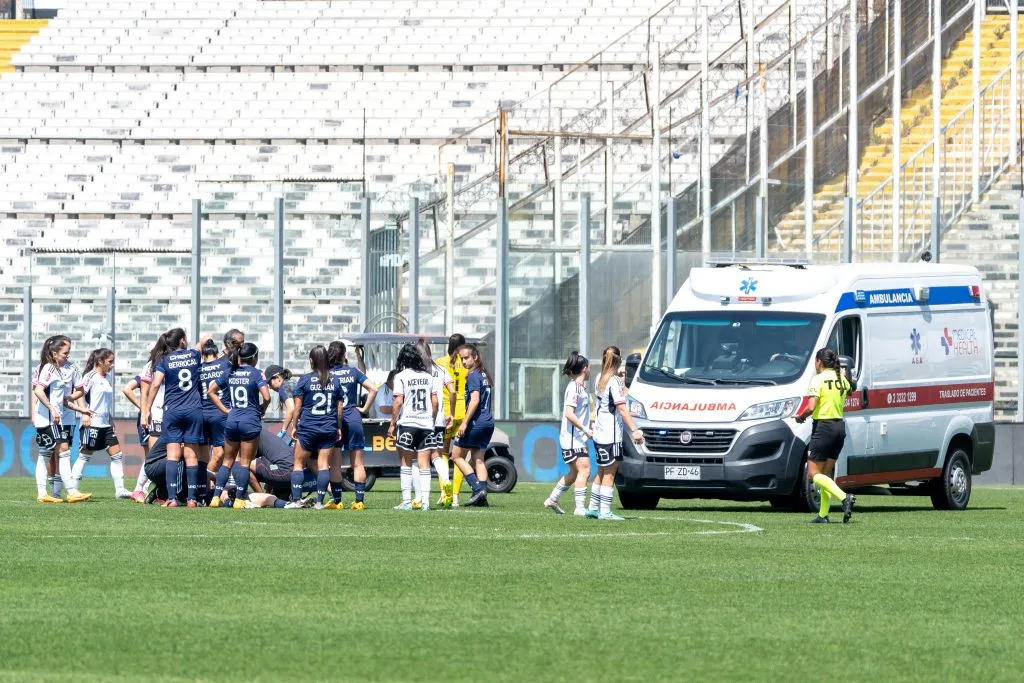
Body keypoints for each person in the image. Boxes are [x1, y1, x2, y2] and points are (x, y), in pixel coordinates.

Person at [141, 328, 211, 508]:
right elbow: (204, 340)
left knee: (172, 454)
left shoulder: (164, 360)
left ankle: (172, 498)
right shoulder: (194, 356)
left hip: (172, 410)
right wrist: (205, 338)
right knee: (191, 454)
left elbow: (155, 384)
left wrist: (147, 409)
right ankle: (192, 499)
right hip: (194, 410)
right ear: (182, 340)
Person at [794, 347, 855, 524]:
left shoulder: (818, 380)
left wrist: (800, 417)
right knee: (825, 474)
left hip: (824, 427)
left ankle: (844, 498)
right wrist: (844, 375)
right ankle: (823, 515)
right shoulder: (841, 378)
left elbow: (811, 407)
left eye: (815, 361)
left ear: (819, 362)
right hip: (839, 428)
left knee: (814, 474)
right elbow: (850, 390)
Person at [208, 342, 270, 509]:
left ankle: (215, 497)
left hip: (232, 420)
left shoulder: (230, 371)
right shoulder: (257, 373)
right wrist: (262, 409)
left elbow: (210, 392)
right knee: (244, 462)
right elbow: (267, 397)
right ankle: (240, 499)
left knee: (227, 461)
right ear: (254, 357)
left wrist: (226, 411)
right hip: (249, 420)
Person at [585, 346, 644, 521]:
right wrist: (635, 431)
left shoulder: (598, 378)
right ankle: (605, 512)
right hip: (611, 435)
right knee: (610, 473)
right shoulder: (616, 382)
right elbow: (621, 409)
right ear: (619, 360)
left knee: (602, 471)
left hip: (599, 432)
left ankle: (593, 508)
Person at [31, 335, 92, 503]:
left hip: (55, 419)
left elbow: (64, 401)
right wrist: (51, 408)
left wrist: (82, 409)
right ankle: (68, 491)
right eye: (65, 353)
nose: (67, 356)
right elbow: (38, 390)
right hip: (48, 419)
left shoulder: (59, 369)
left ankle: (49, 493)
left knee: (53, 453)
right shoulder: (49, 369)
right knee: (58, 451)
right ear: (54, 353)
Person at [66, 348, 131, 499]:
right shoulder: (90, 377)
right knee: (84, 456)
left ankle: (120, 490)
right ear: (100, 361)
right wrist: (84, 413)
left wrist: (110, 417)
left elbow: (104, 401)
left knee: (117, 455)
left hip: (105, 424)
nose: (112, 365)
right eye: (110, 362)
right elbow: (80, 393)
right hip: (92, 422)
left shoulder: (107, 377)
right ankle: (73, 490)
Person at [287, 345, 345, 510]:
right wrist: (338, 427)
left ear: (311, 361)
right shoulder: (335, 380)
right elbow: (339, 409)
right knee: (323, 464)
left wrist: (295, 425)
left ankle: (296, 500)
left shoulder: (305, 379)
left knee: (298, 463)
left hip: (308, 427)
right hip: (328, 427)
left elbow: (297, 408)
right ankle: (320, 502)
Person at [327, 341, 377, 510]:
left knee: (335, 464)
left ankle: (337, 501)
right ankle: (359, 501)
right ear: (343, 356)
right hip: (353, 416)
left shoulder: (326, 374)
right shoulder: (353, 371)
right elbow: (373, 389)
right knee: (358, 463)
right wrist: (364, 408)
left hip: (334, 420)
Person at [388, 344, 438, 511]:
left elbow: (398, 402)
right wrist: (431, 419)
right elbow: (435, 402)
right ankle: (425, 502)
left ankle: (407, 501)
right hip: (426, 424)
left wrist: (392, 424)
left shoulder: (400, 376)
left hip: (408, 423)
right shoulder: (429, 377)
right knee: (424, 464)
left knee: (406, 462)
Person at [544, 351, 592, 516]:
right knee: (585, 469)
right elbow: (569, 413)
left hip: (575, 438)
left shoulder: (580, 388)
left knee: (574, 473)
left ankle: (553, 499)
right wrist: (585, 429)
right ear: (585, 369)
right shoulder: (575, 388)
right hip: (573, 438)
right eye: (589, 367)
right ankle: (579, 508)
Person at [450, 343, 494, 508]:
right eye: (461, 358)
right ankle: (482, 498)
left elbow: (475, 400)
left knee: (456, 456)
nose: (463, 361)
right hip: (488, 421)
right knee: (478, 460)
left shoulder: (473, 375)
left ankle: (477, 489)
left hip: (476, 422)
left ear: (475, 357)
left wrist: (465, 422)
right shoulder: (484, 374)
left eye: (466, 358)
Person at [417, 338, 455, 508]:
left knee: (420, 458)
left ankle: (420, 497)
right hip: (439, 418)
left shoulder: (416, 372)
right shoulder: (441, 370)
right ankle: (446, 482)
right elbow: (452, 391)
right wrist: (451, 413)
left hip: (421, 419)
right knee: (437, 455)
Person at [436, 333, 468, 505]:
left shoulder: (440, 362)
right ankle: (455, 495)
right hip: (463, 413)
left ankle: (444, 492)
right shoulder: (467, 363)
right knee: (459, 456)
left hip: (446, 412)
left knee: (442, 454)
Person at [249, 427, 317, 500]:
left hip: (285, 473)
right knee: (281, 498)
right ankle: (278, 496)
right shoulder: (262, 433)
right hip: (292, 476)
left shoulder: (250, 432)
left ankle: (262, 497)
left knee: (243, 464)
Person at [200, 338, 230, 504]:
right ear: (217, 353)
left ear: (203, 355)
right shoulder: (224, 365)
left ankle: (205, 489)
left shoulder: (198, 369)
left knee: (203, 456)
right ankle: (212, 487)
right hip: (220, 414)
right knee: (220, 454)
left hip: (202, 414)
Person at [122, 369, 152, 502]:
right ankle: (139, 489)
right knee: (151, 456)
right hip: (149, 418)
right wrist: (143, 407)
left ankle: (145, 490)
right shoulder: (150, 369)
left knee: (154, 455)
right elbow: (127, 389)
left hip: (154, 416)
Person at [264, 364, 296, 443]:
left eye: (269, 383)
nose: (270, 387)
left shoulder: (283, 387)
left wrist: (283, 430)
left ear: (277, 378)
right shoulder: (291, 383)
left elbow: (291, 409)